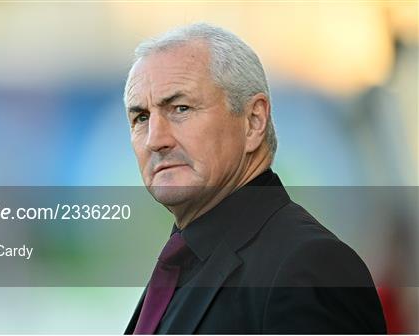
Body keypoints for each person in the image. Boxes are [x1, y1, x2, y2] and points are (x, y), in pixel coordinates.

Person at [123, 22, 386, 334]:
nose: (155, 139)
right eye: (141, 117)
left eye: (181, 108)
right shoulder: (185, 260)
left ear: (253, 121)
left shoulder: (309, 266)